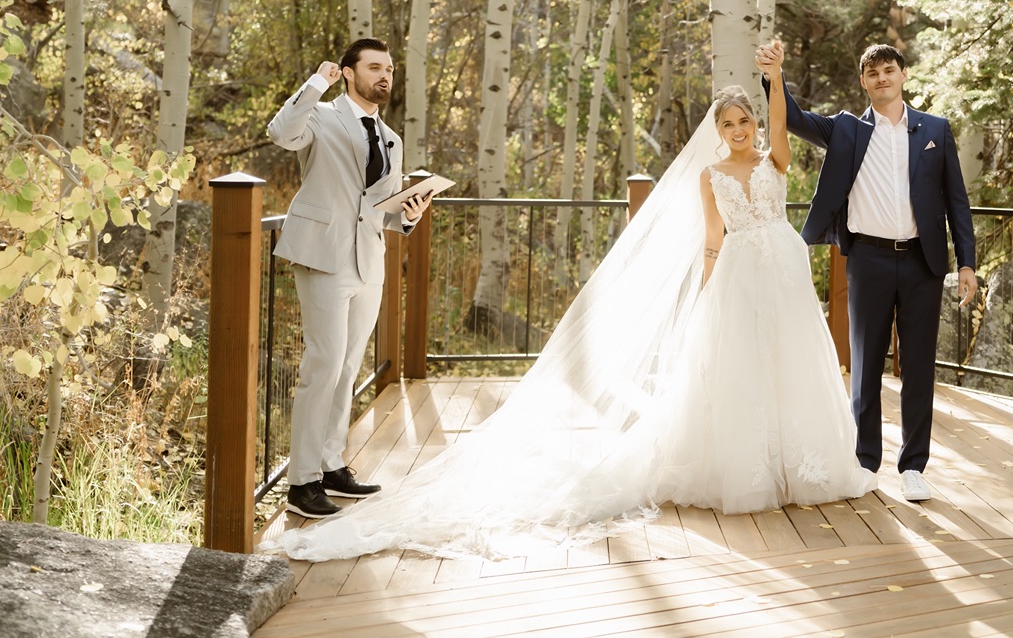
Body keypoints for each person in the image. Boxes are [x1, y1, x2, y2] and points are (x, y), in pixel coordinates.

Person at [261, 61, 872, 562]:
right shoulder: (711, 174)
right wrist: (707, 289)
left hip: (785, 272)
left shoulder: (774, 162)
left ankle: (800, 464)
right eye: (730, 122)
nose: (740, 130)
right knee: (739, 365)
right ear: (718, 130)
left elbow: (783, 129)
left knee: (792, 361)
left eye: (746, 122)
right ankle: (315, 472)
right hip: (739, 272)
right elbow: (712, 239)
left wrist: (776, 77)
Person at [759, 40, 977, 504]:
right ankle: (864, 464)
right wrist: (774, 75)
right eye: (873, 72)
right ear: (864, 81)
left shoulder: (935, 130)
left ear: (903, 75)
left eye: (889, 70)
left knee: (918, 369)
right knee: (864, 370)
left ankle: (914, 467)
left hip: (923, 262)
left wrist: (967, 262)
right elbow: (793, 118)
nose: (882, 77)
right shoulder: (846, 130)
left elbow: (957, 200)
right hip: (868, 260)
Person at [267, 39, 433, 519]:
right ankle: (302, 483)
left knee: (347, 367)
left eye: (390, 70)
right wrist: (317, 81)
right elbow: (281, 133)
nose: (385, 76)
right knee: (322, 364)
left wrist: (410, 214)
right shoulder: (320, 116)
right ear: (348, 72)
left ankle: (331, 464)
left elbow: (380, 212)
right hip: (323, 255)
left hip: (369, 261)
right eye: (375, 67)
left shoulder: (392, 139)